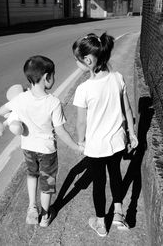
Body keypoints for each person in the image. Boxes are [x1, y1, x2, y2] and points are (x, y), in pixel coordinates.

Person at [72, 33, 138, 237]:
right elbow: (127, 110)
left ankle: (101, 224)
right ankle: (118, 213)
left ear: (89, 60)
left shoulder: (83, 89)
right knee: (116, 175)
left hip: (96, 146)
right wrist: (132, 133)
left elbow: (81, 122)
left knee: (99, 184)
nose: (76, 62)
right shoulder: (117, 78)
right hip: (117, 142)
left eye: (78, 59)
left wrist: (81, 141)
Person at [7, 55, 83, 227]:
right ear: (47, 77)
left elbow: (3, 109)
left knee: (32, 174)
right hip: (47, 150)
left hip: (27, 147)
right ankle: (45, 215)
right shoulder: (53, 102)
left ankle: (32, 208)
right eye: (53, 75)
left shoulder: (20, 98)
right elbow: (61, 132)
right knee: (47, 182)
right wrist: (76, 147)